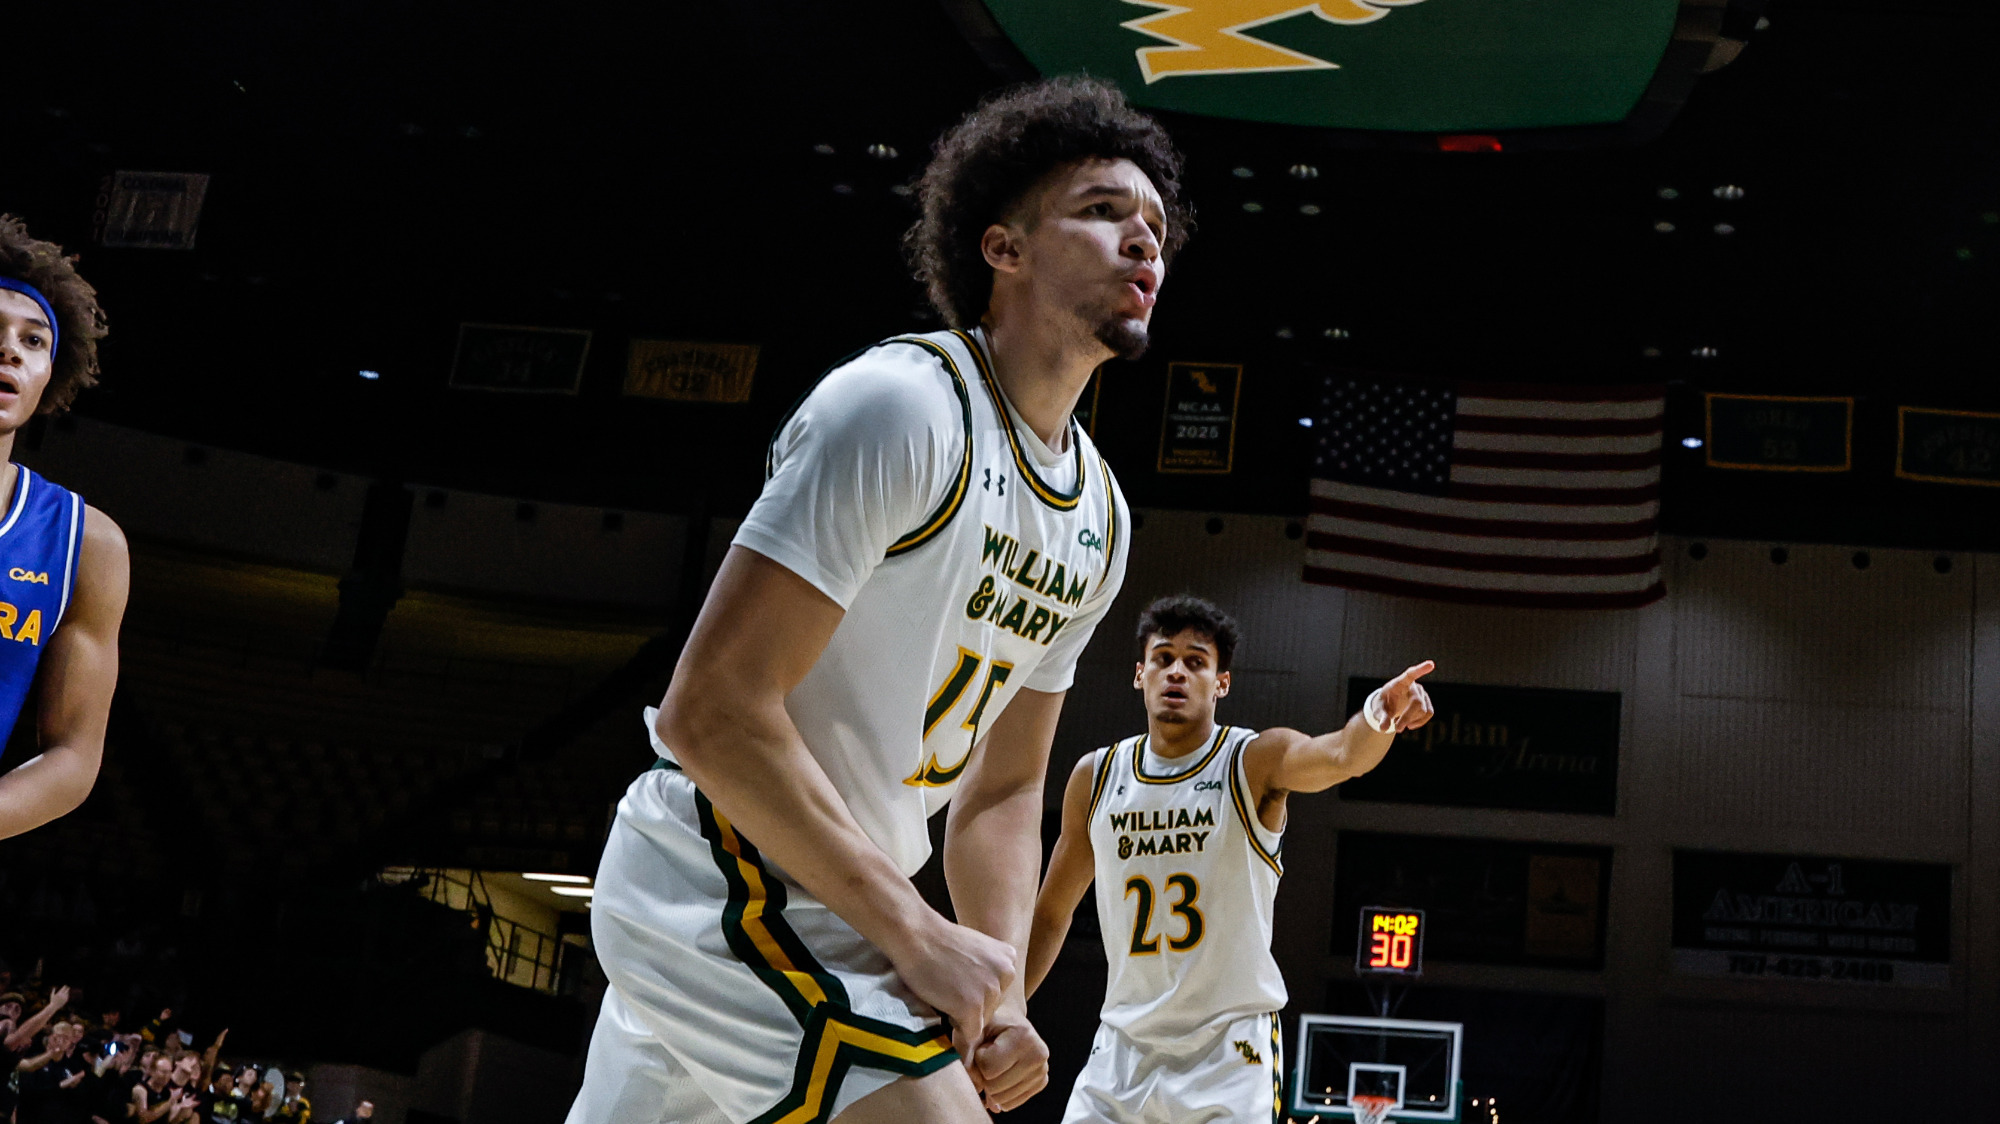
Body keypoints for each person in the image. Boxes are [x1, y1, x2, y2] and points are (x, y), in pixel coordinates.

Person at [566, 75, 1189, 1124]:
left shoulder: (1101, 519)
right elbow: (707, 710)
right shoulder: (898, 408)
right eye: (1101, 211)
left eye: (1156, 228)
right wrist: (915, 933)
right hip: (729, 875)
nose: (1143, 243)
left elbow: (998, 793)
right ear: (1002, 248)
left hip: (841, 897)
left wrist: (999, 994)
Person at [1025, 596, 1436, 1124]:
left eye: (1196, 661)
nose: (1177, 671)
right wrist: (1007, 1010)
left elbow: (1340, 755)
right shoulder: (1098, 777)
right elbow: (1050, 914)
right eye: (1163, 658)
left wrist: (1380, 711)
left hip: (1229, 1052)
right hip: (1123, 1050)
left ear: (1222, 682)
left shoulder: (1252, 761)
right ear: (1139, 674)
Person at [0, 215, 131, 840]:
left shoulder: (87, 545)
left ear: (51, 373)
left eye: (33, 341)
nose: (9, 350)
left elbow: (74, 756)